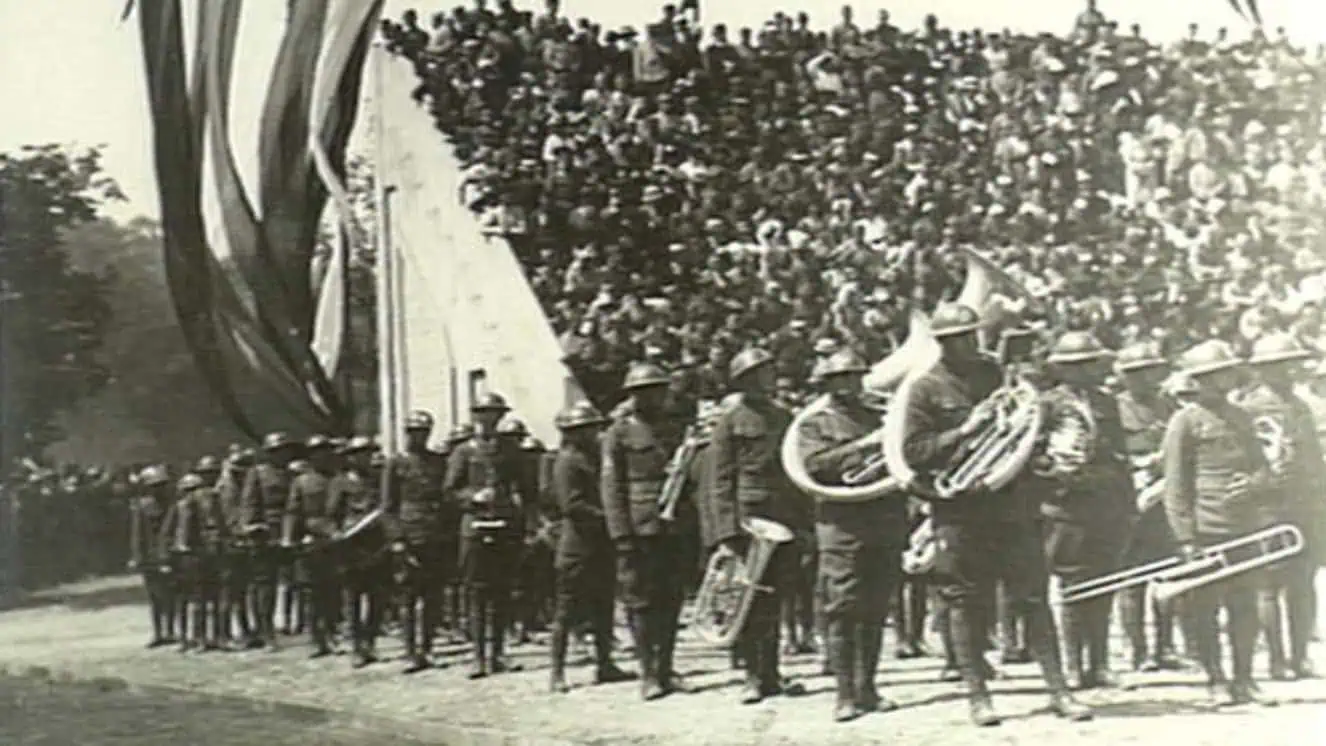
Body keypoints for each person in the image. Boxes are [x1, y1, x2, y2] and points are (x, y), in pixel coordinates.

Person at [898, 304, 1091, 727]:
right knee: (965, 603)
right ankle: (977, 696)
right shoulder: (925, 389)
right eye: (956, 338)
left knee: (1035, 598)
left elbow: (1027, 424)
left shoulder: (998, 376)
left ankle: (1059, 691)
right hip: (960, 510)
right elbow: (913, 454)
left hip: (1011, 506)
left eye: (971, 335)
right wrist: (966, 430)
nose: (968, 344)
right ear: (942, 344)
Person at [794, 348, 908, 721]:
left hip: (883, 520)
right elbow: (815, 466)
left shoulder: (880, 415)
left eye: (855, 376)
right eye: (841, 378)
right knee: (843, 609)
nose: (850, 384)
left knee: (876, 608)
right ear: (828, 383)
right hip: (842, 527)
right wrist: (866, 445)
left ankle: (868, 688)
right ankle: (844, 694)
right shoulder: (814, 423)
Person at [1162, 339, 1277, 706]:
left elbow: (1262, 466)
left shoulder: (1241, 415)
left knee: (1245, 608)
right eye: (1216, 375)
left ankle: (1244, 679)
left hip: (1244, 526)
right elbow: (1176, 483)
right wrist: (1185, 539)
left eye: (1226, 372)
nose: (1225, 379)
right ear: (1200, 380)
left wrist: (1255, 483)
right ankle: (1215, 678)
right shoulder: (1184, 421)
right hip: (1205, 528)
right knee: (1204, 610)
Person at [708, 348, 808, 706]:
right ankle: (752, 676)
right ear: (745, 380)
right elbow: (719, 480)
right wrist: (726, 532)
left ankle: (772, 673)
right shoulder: (730, 421)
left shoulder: (783, 416)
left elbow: (793, 471)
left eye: (769, 370)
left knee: (775, 598)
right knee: (748, 602)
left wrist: (802, 522)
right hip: (748, 519)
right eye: (760, 373)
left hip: (782, 517)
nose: (768, 377)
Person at [1038, 331, 1135, 690]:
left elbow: (1119, 454)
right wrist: (1056, 471)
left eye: (1091, 362)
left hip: (1106, 504)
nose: (1090, 369)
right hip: (1066, 507)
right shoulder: (1045, 404)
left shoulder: (1106, 402)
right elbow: (1034, 456)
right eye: (1081, 364)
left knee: (1104, 583)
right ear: (1064, 369)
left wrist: (1128, 502)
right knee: (1074, 586)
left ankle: (1100, 663)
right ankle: (1074, 665)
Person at [601, 362, 692, 701]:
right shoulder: (619, 431)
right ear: (633, 395)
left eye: (658, 390)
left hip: (674, 524)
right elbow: (611, 485)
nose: (653, 397)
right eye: (645, 391)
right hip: (639, 527)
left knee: (671, 598)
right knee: (640, 600)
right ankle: (648, 673)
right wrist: (621, 534)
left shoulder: (673, 427)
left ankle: (667, 668)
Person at [1239, 332, 1322, 680]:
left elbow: (1312, 457)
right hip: (1267, 506)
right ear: (1262, 369)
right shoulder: (1251, 408)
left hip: (1304, 503)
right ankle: (1276, 658)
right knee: (1268, 584)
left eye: (1292, 364)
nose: (1289, 370)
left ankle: (1300, 655)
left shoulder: (1299, 404)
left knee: (1303, 581)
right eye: (1281, 365)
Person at [548, 401, 634, 692]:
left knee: (603, 606)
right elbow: (571, 505)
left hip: (601, 544)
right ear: (569, 433)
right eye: (580, 430)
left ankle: (605, 664)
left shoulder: (597, 457)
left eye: (590, 429)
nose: (588, 434)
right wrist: (609, 515)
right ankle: (557, 672)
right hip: (577, 546)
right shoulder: (566, 461)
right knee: (566, 610)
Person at [1114, 340, 1185, 673]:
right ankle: (1137, 649)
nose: (1146, 379)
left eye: (1151, 371)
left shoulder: (1168, 406)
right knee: (1131, 579)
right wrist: (1139, 463)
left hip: (1164, 500)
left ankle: (1165, 646)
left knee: (1168, 577)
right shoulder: (1115, 409)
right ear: (1124, 376)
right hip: (1131, 502)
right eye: (1137, 373)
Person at [446, 392, 526, 679]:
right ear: (476, 417)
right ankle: (478, 656)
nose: (490, 419)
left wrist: (518, 509)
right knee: (477, 591)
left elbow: (523, 486)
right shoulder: (464, 452)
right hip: (475, 525)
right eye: (484, 414)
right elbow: (450, 490)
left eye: (495, 414)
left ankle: (499, 653)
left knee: (502, 590)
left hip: (505, 524)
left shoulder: (510, 449)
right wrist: (473, 496)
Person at [389, 410, 449, 673]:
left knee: (433, 595)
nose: (419, 437)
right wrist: (397, 539)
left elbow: (446, 497)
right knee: (408, 595)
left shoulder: (437, 461)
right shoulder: (396, 463)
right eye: (414, 432)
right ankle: (410, 651)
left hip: (435, 535)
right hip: (408, 534)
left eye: (423, 432)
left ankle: (428, 647)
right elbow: (388, 506)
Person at [328, 437, 390, 669]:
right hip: (352, 545)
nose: (364, 457)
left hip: (376, 545)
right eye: (359, 454)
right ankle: (356, 646)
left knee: (377, 597)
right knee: (353, 598)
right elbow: (332, 514)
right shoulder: (340, 482)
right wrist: (335, 533)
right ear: (350, 458)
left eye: (367, 453)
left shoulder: (378, 480)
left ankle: (370, 642)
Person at [239, 432, 303, 649]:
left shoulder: (293, 474)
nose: (284, 455)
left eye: (286, 450)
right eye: (279, 451)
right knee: (265, 585)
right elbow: (249, 503)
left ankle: (304, 627)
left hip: (291, 532)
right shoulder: (257, 474)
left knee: (299, 581)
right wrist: (251, 526)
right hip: (265, 534)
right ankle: (266, 631)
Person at [282, 435, 338, 659]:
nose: (322, 455)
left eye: (326, 451)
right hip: (311, 538)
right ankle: (317, 639)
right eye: (317, 452)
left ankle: (332, 632)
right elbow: (293, 512)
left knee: (334, 591)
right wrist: (289, 538)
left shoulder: (338, 478)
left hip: (337, 539)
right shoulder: (302, 482)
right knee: (312, 593)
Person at [171, 472, 228, 653]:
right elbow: (222, 526)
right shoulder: (214, 499)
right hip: (214, 552)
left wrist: (182, 548)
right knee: (217, 597)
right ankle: (219, 637)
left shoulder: (185, 504)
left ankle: (200, 639)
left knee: (198, 599)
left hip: (195, 555)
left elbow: (184, 532)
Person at [128, 465, 178, 648]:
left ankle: (171, 630)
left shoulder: (173, 505)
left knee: (172, 595)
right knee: (155, 597)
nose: (159, 489)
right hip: (150, 556)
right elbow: (138, 534)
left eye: (162, 485)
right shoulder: (142, 507)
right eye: (155, 485)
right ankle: (158, 633)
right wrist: (137, 557)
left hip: (170, 554)